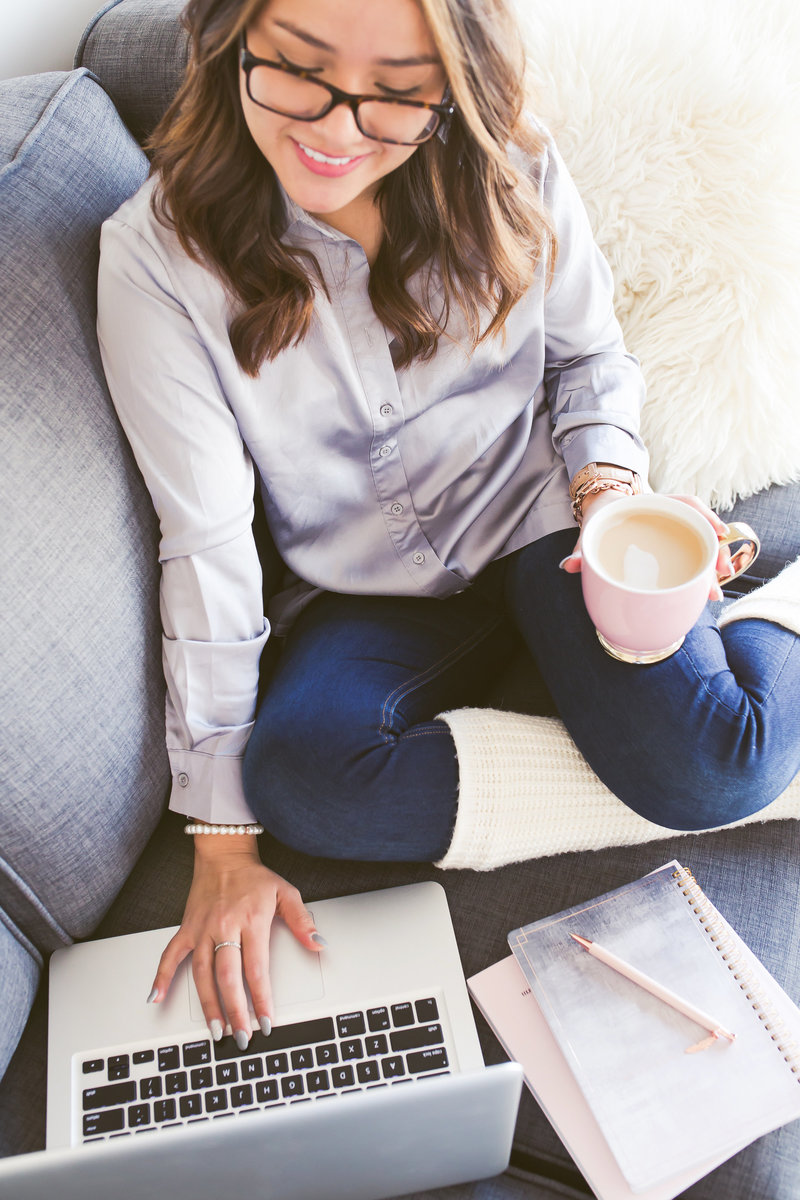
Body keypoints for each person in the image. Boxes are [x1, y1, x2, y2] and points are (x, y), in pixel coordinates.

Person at [97, 0, 800, 1053]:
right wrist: (221, 842)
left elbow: (587, 362)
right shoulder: (156, 260)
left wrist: (606, 489)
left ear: (453, 80)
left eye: (395, 93)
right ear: (229, 39)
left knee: (717, 764)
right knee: (298, 784)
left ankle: (739, 619)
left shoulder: (508, 166)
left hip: (538, 523)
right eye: (292, 68)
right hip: (360, 593)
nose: (336, 132)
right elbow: (203, 543)